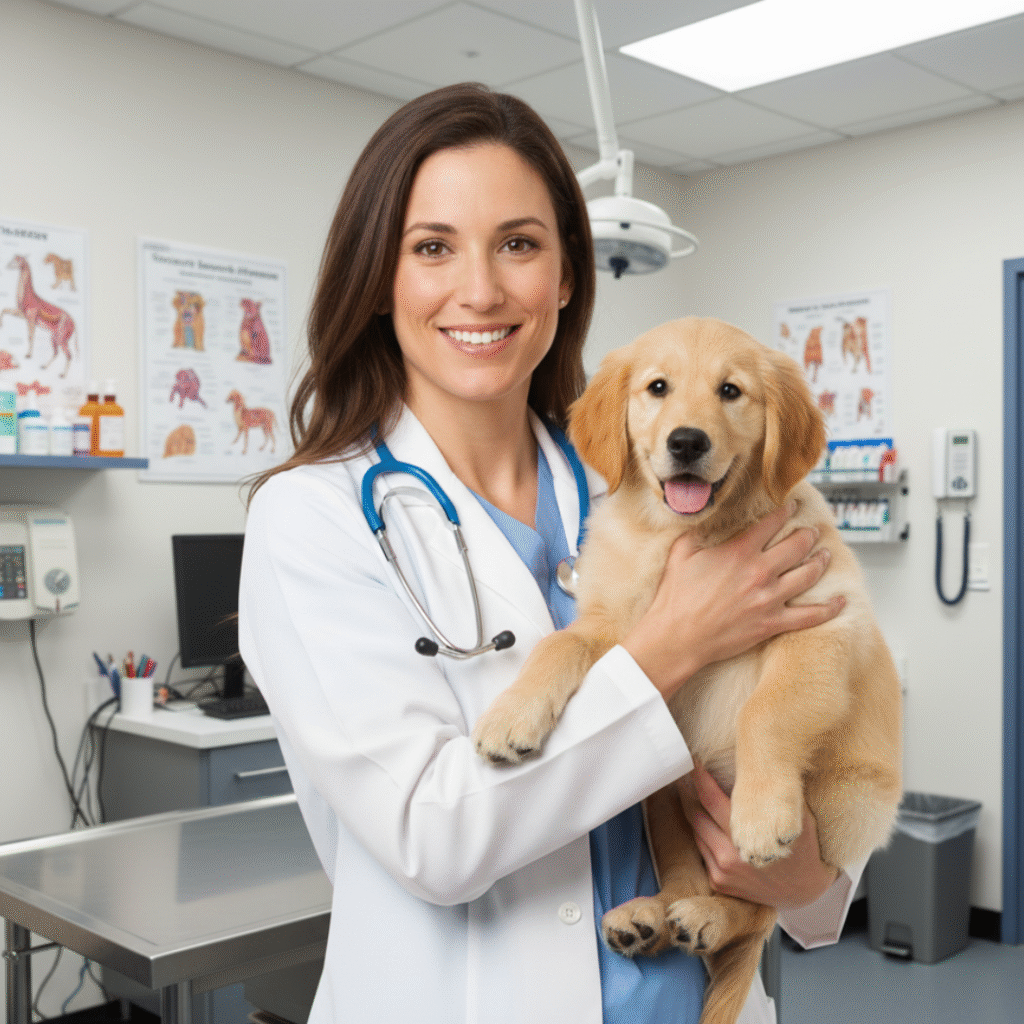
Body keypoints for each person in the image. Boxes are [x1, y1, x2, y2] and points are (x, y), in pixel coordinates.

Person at [238, 83, 860, 1024]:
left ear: (566, 275)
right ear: (379, 277)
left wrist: (809, 884)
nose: (481, 290)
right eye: (432, 247)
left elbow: (806, 783)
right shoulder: (313, 518)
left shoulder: (665, 482)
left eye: (519, 244)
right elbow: (429, 839)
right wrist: (673, 645)